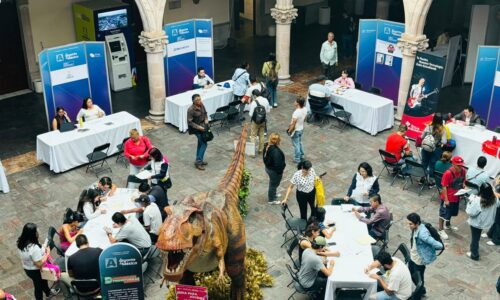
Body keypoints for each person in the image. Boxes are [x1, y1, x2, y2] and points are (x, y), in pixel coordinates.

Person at [17, 223, 59, 300]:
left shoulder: (21, 242)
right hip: (35, 271)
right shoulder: (33, 248)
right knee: (38, 287)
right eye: (36, 231)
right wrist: (47, 253)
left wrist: (42, 248)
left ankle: (48, 292)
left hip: (27, 268)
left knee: (43, 282)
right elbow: (39, 264)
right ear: (33, 234)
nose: (38, 232)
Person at [406, 213, 444, 297]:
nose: (409, 225)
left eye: (410, 224)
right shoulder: (417, 227)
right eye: (408, 223)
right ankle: (421, 290)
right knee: (411, 274)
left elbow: (438, 245)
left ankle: (418, 294)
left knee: (419, 279)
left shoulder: (423, 234)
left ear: (417, 223)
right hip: (413, 256)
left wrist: (432, 249)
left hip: (419, 260)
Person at [59, 234, 102, 300]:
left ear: (77, 245)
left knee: (61, 275)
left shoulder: (71, 258)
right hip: (98, 287)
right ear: (87, 242)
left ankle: (68, 298)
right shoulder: (98, 251)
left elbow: (71, 275)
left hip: (80, 289)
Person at [465, 183, 500, 260]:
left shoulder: (477, 200)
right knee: (476, 237)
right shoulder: (495, 198)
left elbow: (470, 212)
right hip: (486, 222)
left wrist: (470, 202)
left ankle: (474, 254)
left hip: (477, 223)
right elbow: (498, 204)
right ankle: (474, 252)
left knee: (475, 238)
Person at [438, 156, 467, 240]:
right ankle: (440, 229)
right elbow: (444, 187)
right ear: (453, 164)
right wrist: (446, 200)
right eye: (458, 165)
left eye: (461, 165)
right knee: (443, 213)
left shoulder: (463, 171)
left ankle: (447, 225)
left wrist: (464, 187)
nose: (460, 167)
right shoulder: (448, 173)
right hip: (448, 197)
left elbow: (463, 181)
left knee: (451, 212)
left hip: (457, 196)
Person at [420, 114, 446, 186]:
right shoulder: (442, 130)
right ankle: (430, 180)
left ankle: (422, 177)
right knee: (432, 164)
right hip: (435, 150)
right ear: (441, 121)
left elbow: (422, 136)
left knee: (424, 162)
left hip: (425, 148)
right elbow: (444, 142)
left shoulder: (428, 127)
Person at [187, 94, 209, 170]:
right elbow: (190, 122)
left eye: (200, 99)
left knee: (200, 144)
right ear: (193, 101)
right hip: (196, 129)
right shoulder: (191, 110)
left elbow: (205, 113)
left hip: (203, 126)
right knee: (204, 144)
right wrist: (199, 127)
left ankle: (199, 159)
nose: (199, 101)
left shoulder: (201, 105)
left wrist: (206, 120)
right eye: (197, 100)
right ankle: (198, 162)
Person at [263, 133, 286, 204]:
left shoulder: (267, 145)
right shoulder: (276, 152)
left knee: (273, 183)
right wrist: (280, 172)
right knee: (273, 184)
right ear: (278, 141)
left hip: (268, 168)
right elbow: (278, 165)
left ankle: (274, 194)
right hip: (274, 171)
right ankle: (271, 199)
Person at [249, 89, 271, 154]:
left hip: (255, 121)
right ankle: (260, 150)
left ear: (255, 95)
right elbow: (268, 111)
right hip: (263, 121)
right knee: (261, 135)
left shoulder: (254, 102)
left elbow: (250, 114)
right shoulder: (265, 100)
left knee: (253, 136)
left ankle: (252, 152)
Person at [288, 97, 308, 163]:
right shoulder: (305, 109)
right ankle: (302, 155)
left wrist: (289, 130)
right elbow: (305, 119)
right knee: (299, 142)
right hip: (301, 128)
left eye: (295, 101)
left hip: (296, 130)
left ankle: (297, 158)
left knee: (296, 145)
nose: (294, 102)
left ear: (298, 103)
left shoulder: (296, 112)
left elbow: (293, 124)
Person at [485, 173, 500, 246]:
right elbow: (494, 182)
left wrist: (497, 194)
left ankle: (496, 240)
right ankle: (490, 234)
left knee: (499, 222)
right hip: (497, 200)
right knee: (495, 219)